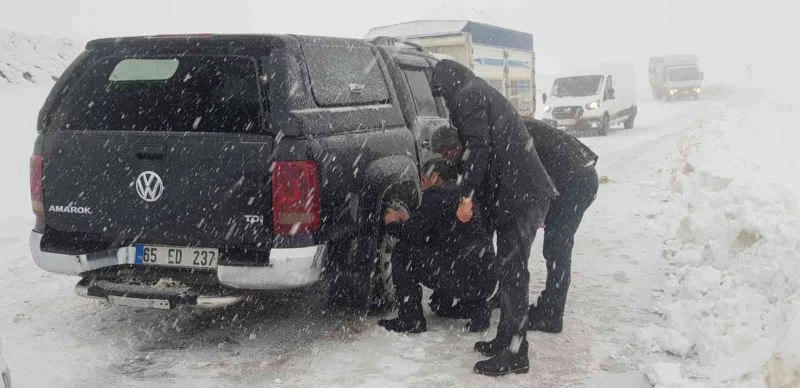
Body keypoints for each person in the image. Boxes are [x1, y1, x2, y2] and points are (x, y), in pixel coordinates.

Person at [430, 59, 559, 376]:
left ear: (447, 85)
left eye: (441, 94)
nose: (444, 102)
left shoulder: (468, 95)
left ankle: (516, 353)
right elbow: (485, 150)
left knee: (514, 273)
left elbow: (480, 149)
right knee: (509, 269)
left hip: (521, 196)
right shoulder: (478, 90)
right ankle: (506, 338)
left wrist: (467, 195)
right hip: (519, 194)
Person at [378, 158, 496, 334]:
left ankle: (410, 320)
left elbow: (414, 235)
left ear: (435, 176)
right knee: (459, 255)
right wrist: (409, 221)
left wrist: (392, 223)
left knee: (403, 252)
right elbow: (443, 232)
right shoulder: (465, 195)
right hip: (486, 279)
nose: (421, 181)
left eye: (423, 176)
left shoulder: (434, 195)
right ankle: (479, 311)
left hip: (462, 275)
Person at [523, 119, 599, 333]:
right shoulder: (519, 124)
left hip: (575, 182)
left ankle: (552, 315)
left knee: (557, 248)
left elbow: (532, 175)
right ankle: (549, 307)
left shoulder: (513, 131)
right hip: (578, 176)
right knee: (556, 246)